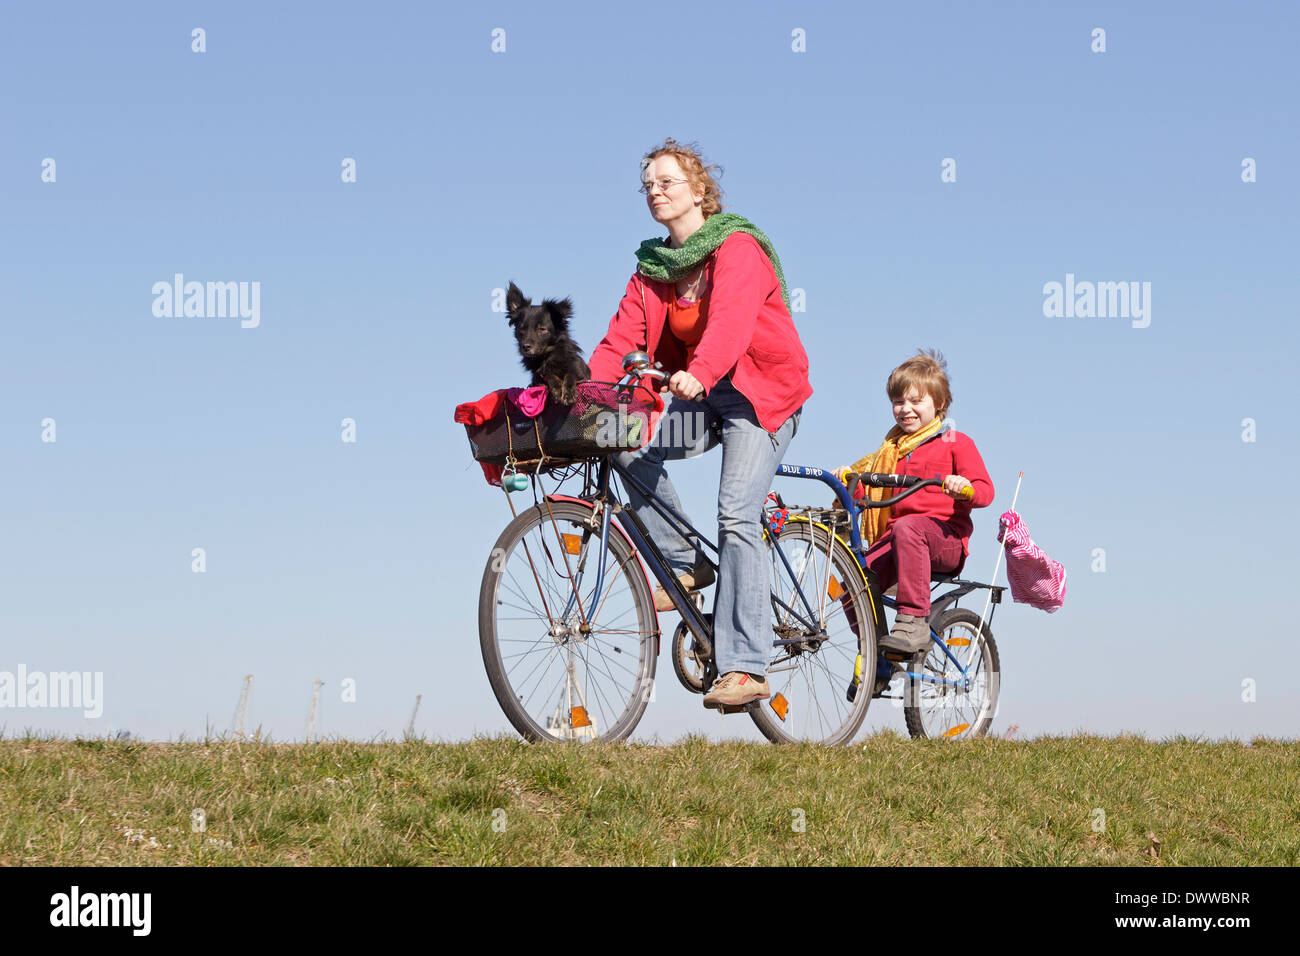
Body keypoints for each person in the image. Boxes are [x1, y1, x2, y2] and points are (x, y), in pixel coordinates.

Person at [585, 138, 812, 710]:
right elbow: (620, 340)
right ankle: (686, 563)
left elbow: (732, 322)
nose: (655, 193)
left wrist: (701, 371)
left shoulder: (736, 247)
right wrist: (584, 398)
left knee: (736, 511)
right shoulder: (654, 268)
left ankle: (747, 666)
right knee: (623, 444)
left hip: (759, 396)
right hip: (705, 397)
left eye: (667, 182)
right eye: (648, 186)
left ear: (699, 191)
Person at [833, 350, 995, 656]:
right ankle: (873, 658)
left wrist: (965, 488)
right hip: (897, 540)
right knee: (852, 589)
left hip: (945, 540)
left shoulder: (956, 442)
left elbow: (985, 491)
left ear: (940, 403)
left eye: (916, 401)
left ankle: (912, 623)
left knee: (910, 527)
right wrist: (849, 481)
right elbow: (869, 500)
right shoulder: (889, 453)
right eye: (898, 402)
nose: (906, 409)